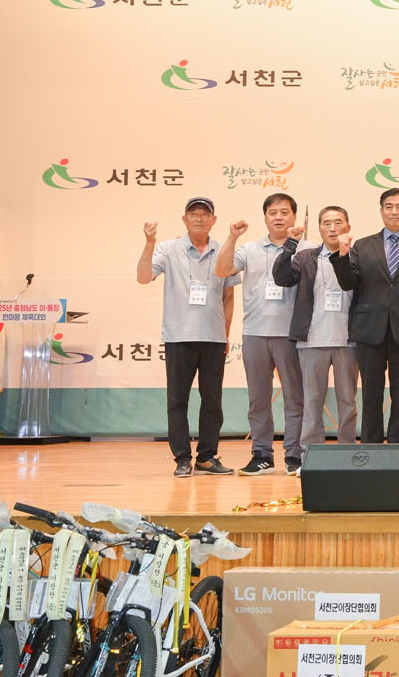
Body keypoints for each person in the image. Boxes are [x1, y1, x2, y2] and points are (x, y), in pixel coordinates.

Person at [135, 197, 237, 476]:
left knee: (212, 400)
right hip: (178, 336)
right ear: (184, 219)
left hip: (213, 338)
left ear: (213, 220)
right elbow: (143, 277)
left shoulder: (223, 250)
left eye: (205, 214)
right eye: (193, 214)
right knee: (177, 401)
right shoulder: (168, 249)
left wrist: (226, 334)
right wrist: (149, 242)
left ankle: (207, 457)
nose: (199, 218)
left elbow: (229, 296)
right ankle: (182, 458)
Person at [331, 187, 399, 445]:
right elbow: (348, 283)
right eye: (388, 206)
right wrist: (342, 255)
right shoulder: (363, 245)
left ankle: (398, 449)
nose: (394, 212)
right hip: (369, 330)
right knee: (371, 394)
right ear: (381, 211)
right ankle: (371, 448)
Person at [214, 193, 304, 475]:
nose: (279, 217)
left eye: (284, 212)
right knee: (258, 398)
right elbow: (222, 269)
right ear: (265, 217)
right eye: (273, 212)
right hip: (255, 333)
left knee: (295, 397)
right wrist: (232, 237)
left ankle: (295, 455)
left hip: (292, 334)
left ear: (294, 216)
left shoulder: (306, 249)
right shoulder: (249, 249)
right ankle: (262, 454)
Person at [272, 204, 358, 455]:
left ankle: (347, 452)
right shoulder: (305, 257)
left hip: (348, 341)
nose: (332, 228)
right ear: (319, 228)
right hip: (311, 341)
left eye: (338, 222)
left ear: (348, 227)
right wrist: (290, 244)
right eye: (326, 223)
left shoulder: (358, 256)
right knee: (311, 401)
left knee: (348, 401)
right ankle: (311, 454)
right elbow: (281, 278)